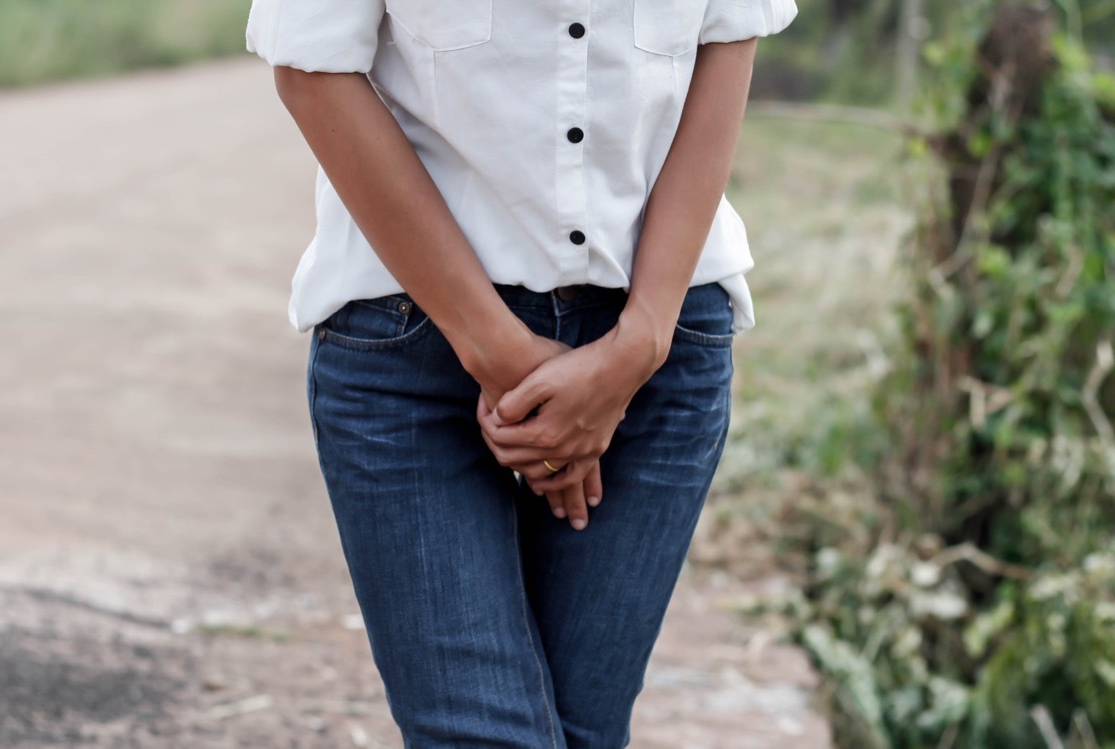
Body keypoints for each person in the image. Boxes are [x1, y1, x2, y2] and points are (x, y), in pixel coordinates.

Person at [246, 1, 797, 746]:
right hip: (412, 346)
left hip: (657, 343)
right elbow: (310, 68)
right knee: (485, 733)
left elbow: (728, 44)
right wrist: (502, 356)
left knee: (582, 732)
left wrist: (636, 346)